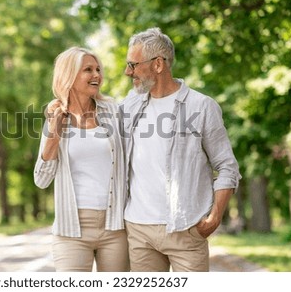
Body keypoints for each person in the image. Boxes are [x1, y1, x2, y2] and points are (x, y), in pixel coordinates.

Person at [121, 27, 241, 272]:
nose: (127, 72)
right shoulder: (130, 104)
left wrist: (214, 217)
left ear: (157, 64)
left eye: (133, 64)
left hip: (186, 228)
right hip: (139, 229)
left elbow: (227, 167)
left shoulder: (202, 106)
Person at [34, 46, 129, 272]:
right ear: (69, 76)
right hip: (71, 229)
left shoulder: (113, 111)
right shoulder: (56, 118)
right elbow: (41, 179)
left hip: (115, 225)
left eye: (98, 69)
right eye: (88, 69)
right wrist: (53, 135)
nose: (96, 75)